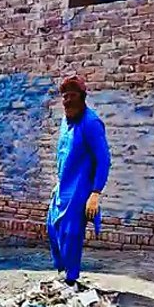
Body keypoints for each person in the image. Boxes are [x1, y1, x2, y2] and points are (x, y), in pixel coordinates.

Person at [47, 75, 111, 287]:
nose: (67, 101)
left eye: (72, 96)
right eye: (65, 97)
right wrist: (58, 182)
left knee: (71, 234)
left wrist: (95, 193)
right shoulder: (66, 121)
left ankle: (71, 279)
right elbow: (63, 154)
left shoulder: (91, 123)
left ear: (82, 97)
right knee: (52, 227)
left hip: (80, 190)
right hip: (63, 187)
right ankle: (62, 271)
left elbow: (103, 159)